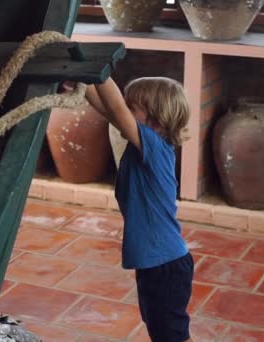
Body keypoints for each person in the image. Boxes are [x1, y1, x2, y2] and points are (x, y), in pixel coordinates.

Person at [83, 76, 194, 342]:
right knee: (164, 332)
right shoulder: (145, 144)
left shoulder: (154, 147)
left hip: (164, 264)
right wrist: (83, 81)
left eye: (132, 108)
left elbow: (116, 108)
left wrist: (100, 71)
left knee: (170, 336)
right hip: (158, 263)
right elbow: (109, 108)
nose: (124, 112)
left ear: (155, 121)